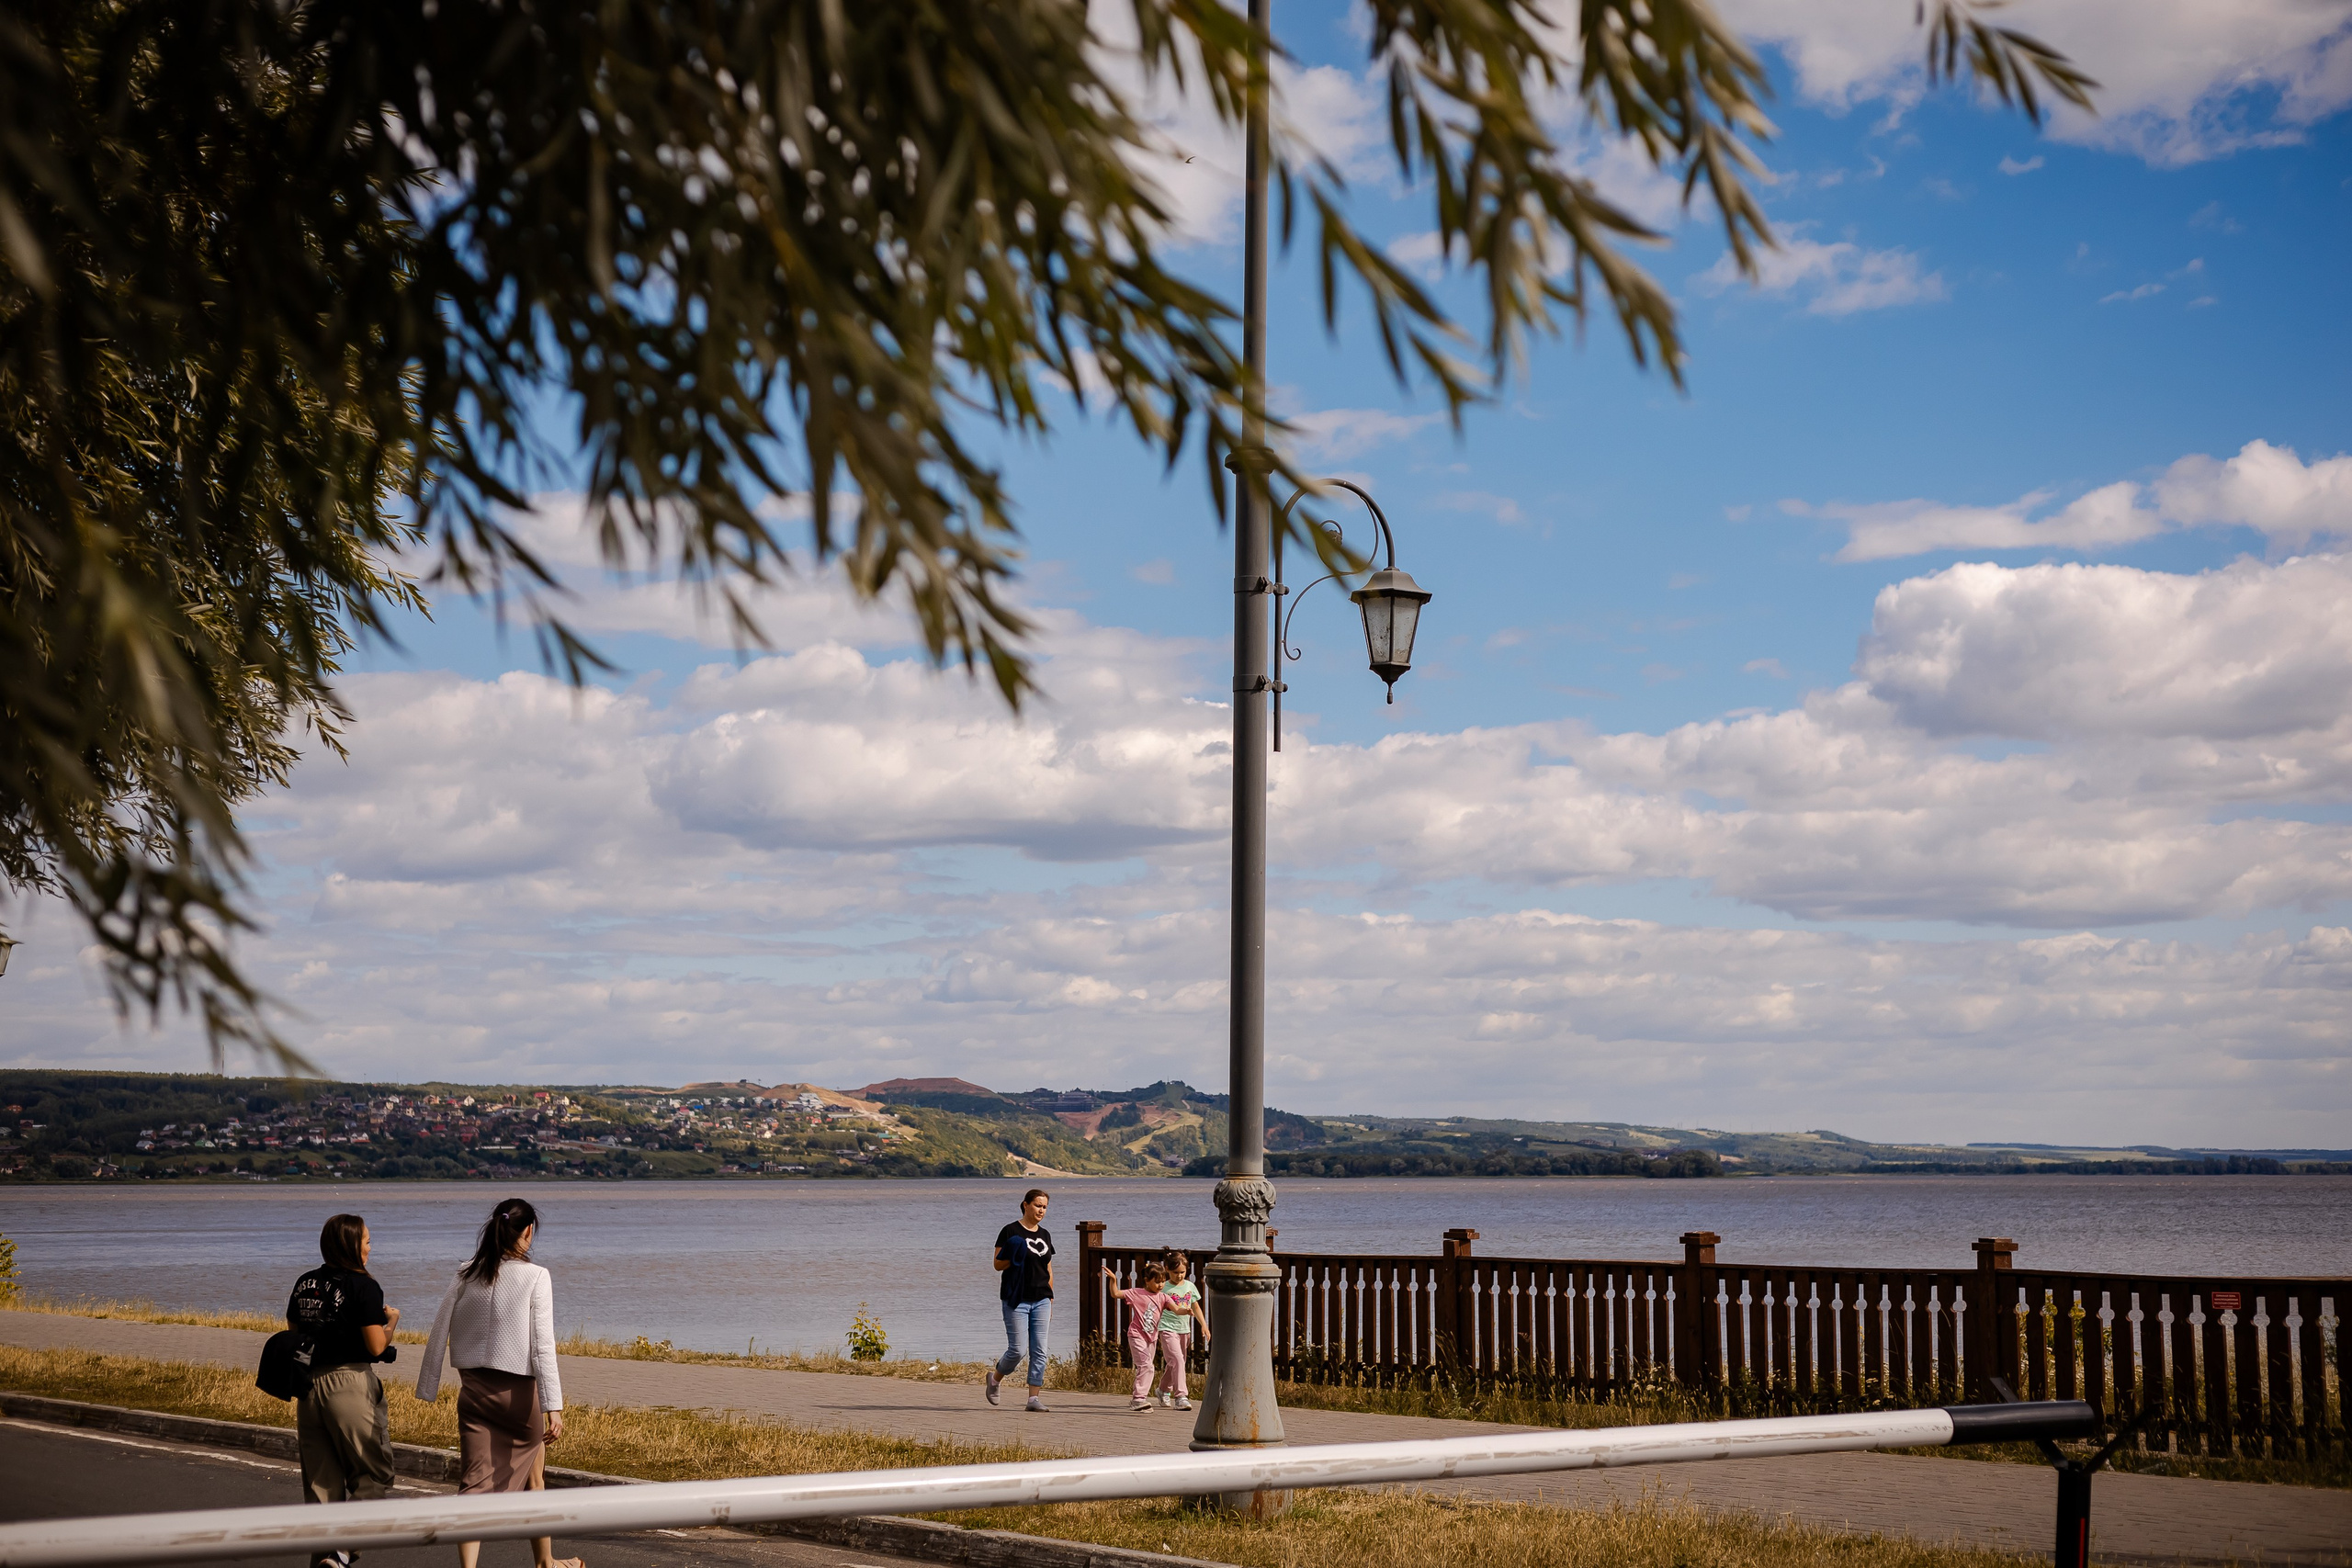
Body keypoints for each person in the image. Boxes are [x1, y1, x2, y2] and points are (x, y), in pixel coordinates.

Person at [417, 1199, 581, 1568]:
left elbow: (438, 1328)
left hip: (473, 1394)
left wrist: (427, 1385)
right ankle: (545, 1563)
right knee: (534, 1482)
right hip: (520, 1400)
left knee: (472, 1486)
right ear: (528, 1232)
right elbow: (542, 1346)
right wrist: (553, 1405)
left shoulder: (464, 1273)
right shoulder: (536, 1276)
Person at [287, 1213, 399, 1568]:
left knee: (322, 1487)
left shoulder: (304, 1283)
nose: (370, 1247)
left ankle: (325, 1561)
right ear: (352, 1245)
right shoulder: (363, 1286)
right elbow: (376, 1347)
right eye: (366, 1241)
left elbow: (295, 1334)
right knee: (375, 1474)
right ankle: (342, 1551)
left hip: (309, 1387)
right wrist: (391, 1323)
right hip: (349, 1384)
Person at [985, 1188, 1056, 1412]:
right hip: (1016, 1299)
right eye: (1037, 1205)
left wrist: (1050, 1297)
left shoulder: (1044, 1234)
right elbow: (997, 1264)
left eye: (1044, 1207)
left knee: (1040, 1350)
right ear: (1025, 1205)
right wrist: (1013, 1254)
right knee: (1017, 1350)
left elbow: (1048, 1267)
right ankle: (995, 1379)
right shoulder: (1010, 1231)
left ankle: (1033, 1399)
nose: (1041, 1210)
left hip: (1042, 1299)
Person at [1102, 1260, 1185, 1413]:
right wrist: (1113, 1280)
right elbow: (1116, 1294)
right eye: (1157, 1282)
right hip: (1136, 1335)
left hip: (1151, 1338)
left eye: (1162, 1282)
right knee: (1146, 1365)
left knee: (1146, 1367)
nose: (1161, 1285)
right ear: (1147, 1281)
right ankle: (1138, 1399)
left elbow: (1176, 1309)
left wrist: (1185, 1311)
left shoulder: (1163, 1297)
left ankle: (1139, 1399)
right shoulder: (1136, 1293)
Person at [1150, 1249, 1208, 1411]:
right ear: (1167, 1270)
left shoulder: (1190, 1286)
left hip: (1184, 1330)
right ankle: (1181, 1396)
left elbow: (1195, 1306)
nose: (1179, 1276)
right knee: (1177, 1360)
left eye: (1182, 1272)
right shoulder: (1163, 1287)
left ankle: (1162, 1390)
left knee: (1175, 1363)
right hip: (1167, 1329)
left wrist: (1203, 1324)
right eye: (1175, 1272)